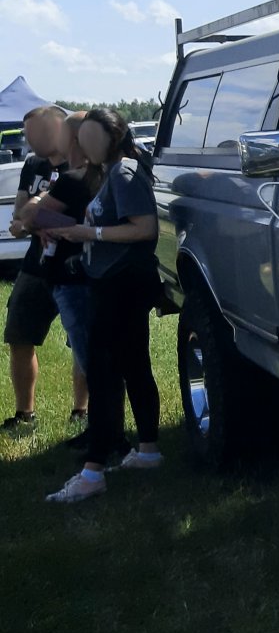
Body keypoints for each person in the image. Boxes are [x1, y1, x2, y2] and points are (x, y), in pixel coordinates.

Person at [44, 109, 162, 503]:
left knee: (104, 374)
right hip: (120, 283)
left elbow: (144, 228)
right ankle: (148, 451)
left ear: (113, 137)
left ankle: (92, 473)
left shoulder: (123, 173)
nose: (84, 145)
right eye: (83, 138)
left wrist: (86, 232)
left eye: (92, 138)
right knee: (133, 367)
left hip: (119, 287)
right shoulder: (113, 170)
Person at [2, 105, 86, 437]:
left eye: (31, 131)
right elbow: (19, 216)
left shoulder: (81, 167)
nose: (26, 139)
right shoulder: (33, 164)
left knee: (80, 342)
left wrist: (36, 219)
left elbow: (81, 219)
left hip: (76, 267)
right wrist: (31, 220)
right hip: (35, 266)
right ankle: (25, 415)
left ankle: (82, 412)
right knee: (19, 335)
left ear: (56, 129)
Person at [23, 111, 98, 450]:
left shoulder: (73, 179)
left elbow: (30, 214)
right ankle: (104, 429)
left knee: (89, 355)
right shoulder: (105, 176)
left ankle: (103, 433)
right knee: (98, 356)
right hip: (92, 274)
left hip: (72, 278)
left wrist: (37, 212)